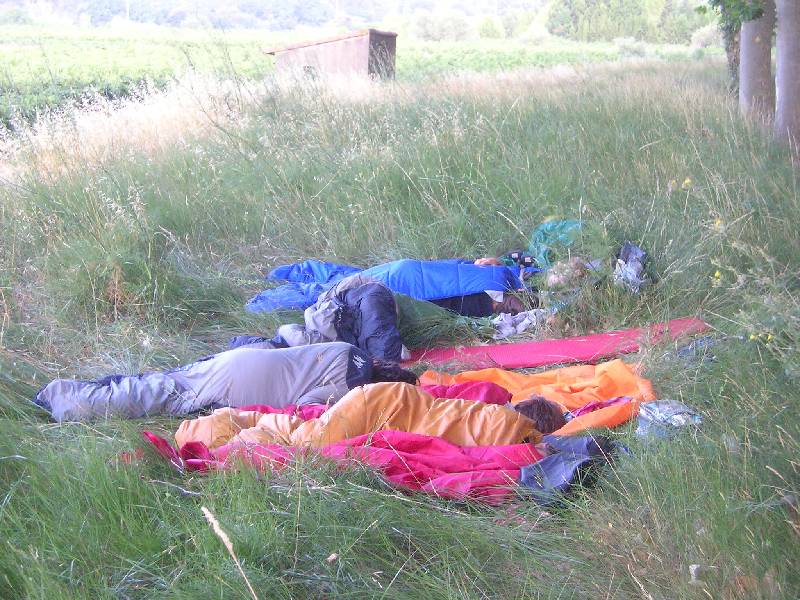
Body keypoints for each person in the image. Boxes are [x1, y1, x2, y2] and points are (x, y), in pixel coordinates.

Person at [33, 342, 418, 422]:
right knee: (157, 397)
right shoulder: (351, 389)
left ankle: (70, 388)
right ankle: (63, 403)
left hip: (239, 359)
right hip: (239, 389)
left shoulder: (348, 349)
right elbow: (305, 408)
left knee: (161, 381)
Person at [174, 381, 543, 450]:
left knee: (306, 433)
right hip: (382, 405)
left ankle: (238, 422)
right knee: (306, 444)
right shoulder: (515, 429)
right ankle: (223, 431)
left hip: (389, 399)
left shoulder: (500, 417)